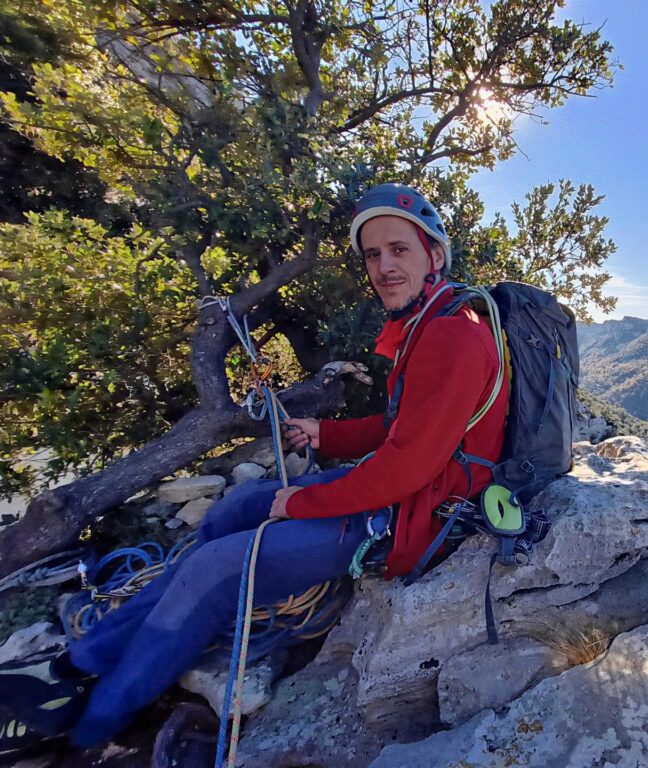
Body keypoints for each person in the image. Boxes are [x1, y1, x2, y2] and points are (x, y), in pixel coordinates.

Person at [0, 183, 510, 756]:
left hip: (418, 517)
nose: (384, 267)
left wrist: (300, 503)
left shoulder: (453, 336)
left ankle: (88, 729)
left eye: (400, 250)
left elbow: (406, 469)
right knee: (234, 510)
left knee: (216, 570)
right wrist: (329, 434)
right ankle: (78, 666)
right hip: (402, 491)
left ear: (434, 255)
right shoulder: (425, 324)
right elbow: (402, 428)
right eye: (373, 254)